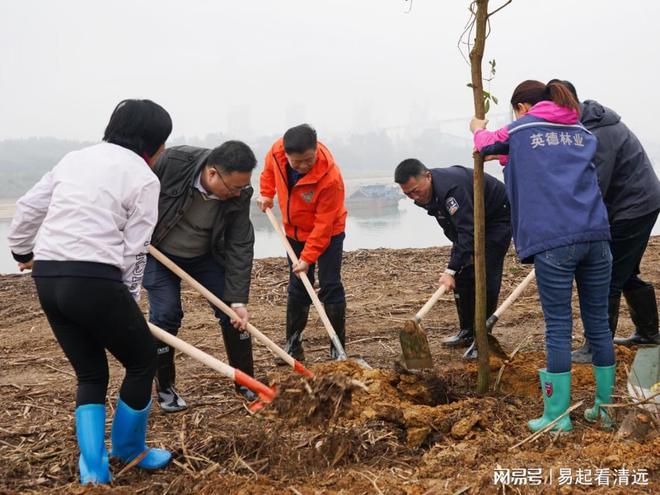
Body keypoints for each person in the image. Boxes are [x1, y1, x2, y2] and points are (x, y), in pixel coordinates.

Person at [7, 99, 173, 484]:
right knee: (142, 359)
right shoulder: (145, 178)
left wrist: (22, 251)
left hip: (48, 276)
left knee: (90, 372)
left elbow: (30, 207)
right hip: (96, 279)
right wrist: (128, 301)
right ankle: (130, 450)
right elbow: (135, 251)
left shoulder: (74, 159)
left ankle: (94, 470)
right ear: (154, 144)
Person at [471, 80, 616, 432]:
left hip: (555, 241)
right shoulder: (580, 131)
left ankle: (557, 416)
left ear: (522, 107)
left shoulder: (525, 127)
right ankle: (606, 409)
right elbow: (546, 165)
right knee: (598, 323)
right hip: (596, 236)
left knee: (558, 325)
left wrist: (478, 128)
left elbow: (484, 143)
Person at [547, 81, 660, 363]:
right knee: (625, 271)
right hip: (634, 203)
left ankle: (597, 346)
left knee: (607, 276)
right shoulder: (586, 124)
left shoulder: (597, 132)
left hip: (633, 207)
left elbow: (595, 185)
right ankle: (648, 332)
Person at [143, 141, 258, 412]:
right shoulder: (173, 163)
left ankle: (246, 382)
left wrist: (239, 300)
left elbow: (240, 244)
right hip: (159, 252)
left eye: (243, 187)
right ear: (212, 174)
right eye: (234, 188)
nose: (238, 193)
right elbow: (133, 189)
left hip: (205, 255)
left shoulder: (239, 193)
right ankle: (166, 388)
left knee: (232, 313)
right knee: (166, 315)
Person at [394, 159, 511, 359]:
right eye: (407, 194)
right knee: (463, 275)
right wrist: (457, 265)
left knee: (485, 275)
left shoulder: (452, 191)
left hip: (497, 217)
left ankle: (482, 340)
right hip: (471, 221)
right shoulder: (427, 194)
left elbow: (468, 232)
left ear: (428, 176)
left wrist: (450, 270)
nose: (414, 197)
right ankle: (467, 331)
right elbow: (457, 230)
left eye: (415, 191)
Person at [257, 124, 347, 361]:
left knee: (330, 284)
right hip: (293, 232)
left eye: (309, 159)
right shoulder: (276, 152)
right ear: (286, 154)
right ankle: (293, 345)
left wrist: (307, 258)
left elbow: (324, 224)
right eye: (297, 162)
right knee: (298, 286)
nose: (304, 166)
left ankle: (338, 348)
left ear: (316, 149)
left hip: (328, 233)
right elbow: (268, 172)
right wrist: (267, 193)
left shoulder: (331, 178)